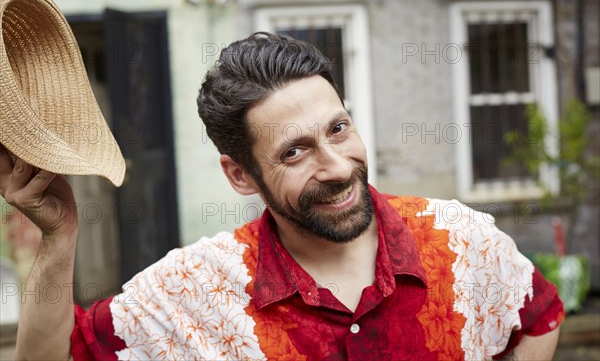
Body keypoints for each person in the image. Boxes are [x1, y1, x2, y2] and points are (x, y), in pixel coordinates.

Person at [0, 33, 564, 360]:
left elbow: (540, 314)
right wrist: (58, 239)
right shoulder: (192, 291)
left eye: (338, 129)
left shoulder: (460, 239)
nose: (337, 166)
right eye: (294, 152)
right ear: (241, 176)